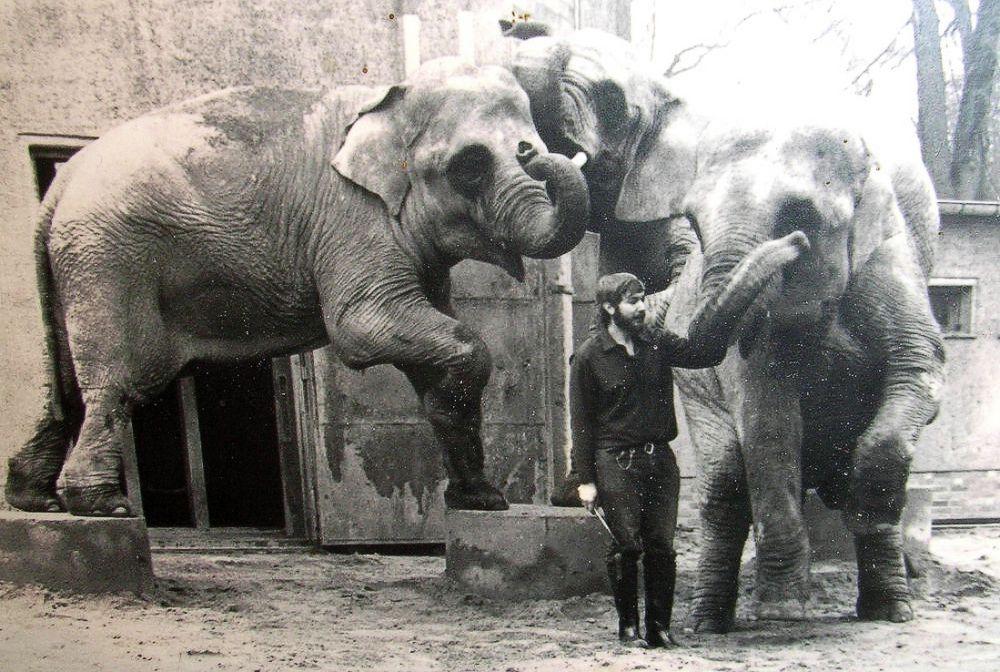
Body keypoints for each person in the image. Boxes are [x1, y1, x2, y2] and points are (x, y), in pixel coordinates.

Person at [569, 232, 807, 648]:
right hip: (614, 463)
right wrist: (584, 480)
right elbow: (582, 424)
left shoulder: (657, 344)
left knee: (662, 547)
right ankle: (628, 628)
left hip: (660, 460)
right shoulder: (589, 357)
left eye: (643, 299)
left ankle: (659, 628)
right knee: (627, 547)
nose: (641, 308)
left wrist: (749, 283)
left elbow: (705, 351)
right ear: (609, 308)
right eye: (632, 301)